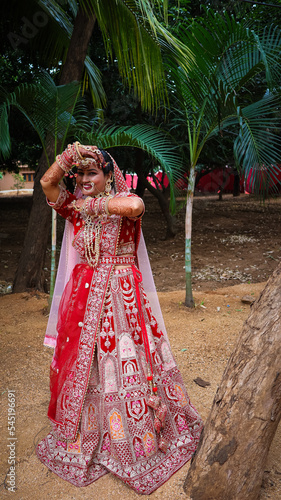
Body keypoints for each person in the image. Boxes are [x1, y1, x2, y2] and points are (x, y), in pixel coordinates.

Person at [36, 142, 203, 494]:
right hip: (84, 300)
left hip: (121, 298)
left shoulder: (117, 204)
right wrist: (66, 159)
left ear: (110, 177)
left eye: (92, 173)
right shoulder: (76, 210)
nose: (82, 179)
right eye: (79, 174)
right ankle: (92, 430)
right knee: (89, 366)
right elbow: (48, 185)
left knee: (127, 362)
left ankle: (135, 437)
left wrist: (87, 203)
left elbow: (136, 204)